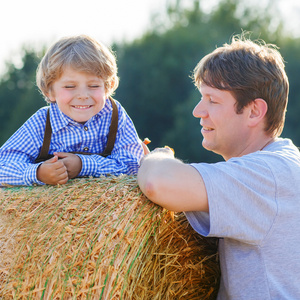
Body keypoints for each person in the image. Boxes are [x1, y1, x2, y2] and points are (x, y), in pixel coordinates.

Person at [138, 35, 300, 299]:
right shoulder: (280, 165)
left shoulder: (268, 174)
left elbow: (158, 182)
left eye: (212, 100)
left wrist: (157, 156)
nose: (198, 111)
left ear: (254, 111)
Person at [0, 35, 144, 186]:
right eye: (70, 87)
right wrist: (38, 173)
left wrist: (83, 165)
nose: (82, 95)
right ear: (50, 91)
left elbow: (133, 165)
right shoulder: (42, 123)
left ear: (108, 86)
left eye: (93, 86)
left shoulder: (114, 116)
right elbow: (3, 167)